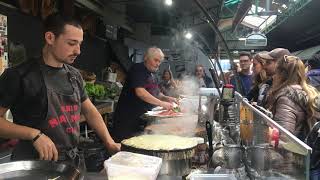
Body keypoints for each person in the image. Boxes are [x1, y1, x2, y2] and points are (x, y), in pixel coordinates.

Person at [0, 13, 120, 168]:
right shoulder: (19, 76)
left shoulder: (74, 75)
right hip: (33, 166)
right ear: (50, 38)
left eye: (79, 44)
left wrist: (109, 142)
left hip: (70, 162)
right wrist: (34, 134)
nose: (78, 51)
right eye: (71, 43)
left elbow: (90, 111)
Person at [112, 47, 176, 142]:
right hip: (128, 120)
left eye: (160, 61)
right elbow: (140, 92)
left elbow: (156, 93)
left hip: (141, 120)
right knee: (126, 149)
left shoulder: (152, 74)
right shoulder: (138, 69)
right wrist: (161, 103)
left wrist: (167, 98)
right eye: (155, 60)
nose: (158, 64)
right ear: (146, 58)